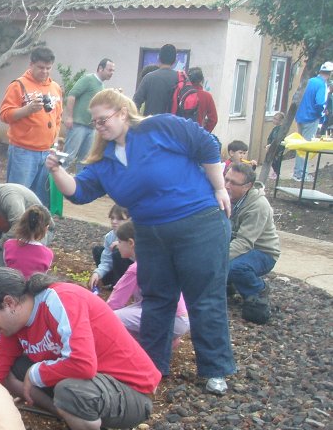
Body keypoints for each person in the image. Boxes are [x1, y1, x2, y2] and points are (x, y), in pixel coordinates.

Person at [46, 88, 236, 396]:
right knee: (157, 298)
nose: (99, 126)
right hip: (150, 232)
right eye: (94, 122)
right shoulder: (104, 160)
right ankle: (151, 365)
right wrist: (57, 170)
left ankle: (215, 369)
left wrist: (219, 188)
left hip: (198, 222)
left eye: (103, 119)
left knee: (205, 296)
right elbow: (79, 192)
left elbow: (206, 144)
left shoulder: (159, 127)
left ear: (122, 113)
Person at [0, 269, 161, 430]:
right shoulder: (14, 326)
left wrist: (35, 373)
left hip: (131, 392)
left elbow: (82, 364)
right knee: (15, 371)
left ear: (9, 302)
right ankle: (76, 429)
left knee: (67, 390)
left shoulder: (60, 299)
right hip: (95, 387)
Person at [106, 220, 190, 345]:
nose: (117, 245)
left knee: (112, 318)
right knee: (131, 314)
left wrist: (97, 316)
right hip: (181, 318)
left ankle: (141, 348)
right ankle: (166, 340)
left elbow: (115, 302)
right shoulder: (156, 260)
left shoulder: (136, 268)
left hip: (172, 319)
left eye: (119, 241)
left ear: (131, 243)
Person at [0, 46, 63, 206]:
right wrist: (27, 110)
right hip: (23, 151)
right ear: (31, 64)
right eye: (41, 68)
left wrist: (54, 144)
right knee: (17, 197)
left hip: (47, 152)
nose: (45, 72)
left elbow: (57, 118)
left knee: (41, 200)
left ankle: (39, 230)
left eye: (48, 68)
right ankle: (14, 229)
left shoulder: (55, 88)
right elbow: (4, 115)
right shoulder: (18, 85)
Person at [225, 163, 280, 324]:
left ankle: (258, 290)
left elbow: (244, 243)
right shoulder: (227, 196)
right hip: (238, 245)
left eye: (233, 183)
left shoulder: (258, 206)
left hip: (263, 252)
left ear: (247, 186)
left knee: (234, 267)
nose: (227, 185)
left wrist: (216, 258)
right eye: (226, 179)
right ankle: (230, 283)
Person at [62, 58, 115, 169]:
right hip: (78, 125)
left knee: (85, 161)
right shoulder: (88, 79)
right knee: (68, 157)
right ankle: (54, 184)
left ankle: (80, 185)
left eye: (113, 71)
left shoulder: (101, 86)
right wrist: (69, 117)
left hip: (91, 128)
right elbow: (72, 95)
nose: (112, 73)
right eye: (109, 70)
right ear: (100, 68)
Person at [293, 61, 332, 180]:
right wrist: (321, 114)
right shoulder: (321, 84)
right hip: (311, 118)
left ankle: (297, 172)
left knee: (300, 146)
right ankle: (301, 174)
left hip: (300, 116)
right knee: (306, 147)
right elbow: (320, 102)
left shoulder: (310, 81)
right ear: (330, 73)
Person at [3, 204, 54, 278]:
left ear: (22, 222)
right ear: (46, 228)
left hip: (11, 286)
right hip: (33, 288)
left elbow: (6, 267)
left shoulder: (8, 245)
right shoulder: (48, 254)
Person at [90, 203, 133, 290]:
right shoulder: (110, 236)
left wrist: (121, 245)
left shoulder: (136, 236)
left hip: (133, 272)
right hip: (117, 267)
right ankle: (106, 280)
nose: (114, 221)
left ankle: (119, 285)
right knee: (98, 250)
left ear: (130, 220)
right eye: (112, 218)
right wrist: (97, 273)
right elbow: (106, 260)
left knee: (117, 252)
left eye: (119, 219)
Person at [132, 43, 179, 116]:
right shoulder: (181, 79)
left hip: (151, 124)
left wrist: (140, 121)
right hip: (172, 125)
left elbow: (134, 103)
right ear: (175, 61)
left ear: (159, 58)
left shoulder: (149, 77)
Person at [187, 67, 218, 132]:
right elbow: (213, 119)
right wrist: (205, 133)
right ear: (202, 80)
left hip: (181, 133)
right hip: (197, 134)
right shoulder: (207, 96)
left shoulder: (183, 93)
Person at [265, 111, 287, 179]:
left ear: (281, 120)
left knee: (276, 161)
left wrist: (271, 145)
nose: (273, 120)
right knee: (272, 160)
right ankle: (273, 172)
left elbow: (277, 138)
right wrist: (268, 144)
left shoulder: (280, 129)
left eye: (275, 119)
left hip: (278, 148)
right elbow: (270, 137)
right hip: (272, 146)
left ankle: (276, 173)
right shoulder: (275, 128)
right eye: (273, 118)